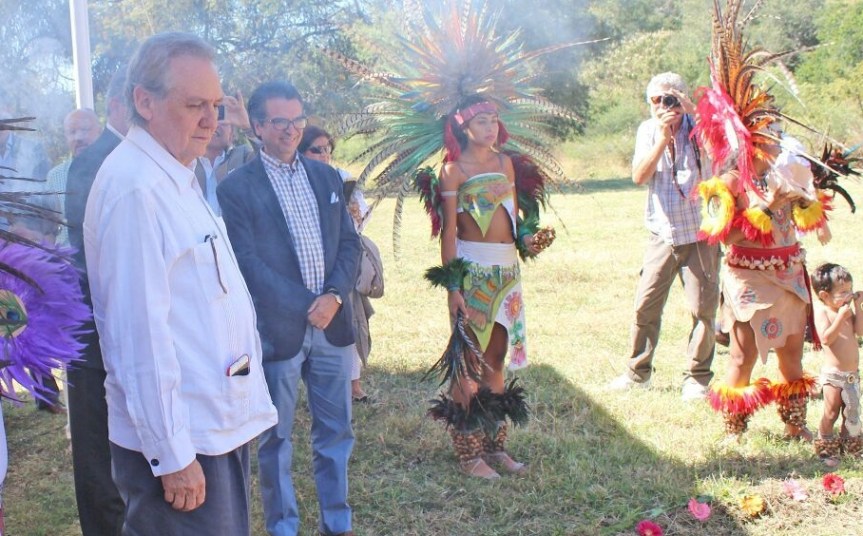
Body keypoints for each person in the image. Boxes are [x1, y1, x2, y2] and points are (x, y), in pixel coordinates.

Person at [83, 33, 277, 534]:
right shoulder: (136, 188)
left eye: (215, 105)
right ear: (144, 102)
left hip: (211, 426)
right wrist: (171, 454)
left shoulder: (175, 175)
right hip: (183, 443)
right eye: (195, 105)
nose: (213, 121)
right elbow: (137, 337)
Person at [217, 81, 361, 536]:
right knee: (275, 440)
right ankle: (283, 528)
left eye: (298, 119)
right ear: (258, 126)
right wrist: (307, 305)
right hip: (280, 331)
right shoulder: (237, 188)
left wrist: (334, 297)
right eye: (280, 121)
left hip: (333, 326)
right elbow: (248, 264)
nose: (292, 129)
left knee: (335, 434)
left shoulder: (328, 177)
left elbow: (350, 246)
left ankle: (337, 525)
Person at [428, 94, 539, 480]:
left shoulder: (505, 164)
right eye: (481, 122)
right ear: (463, 127)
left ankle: (495, 446)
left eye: (494, 120)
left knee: (496, 357)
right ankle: (468, 452)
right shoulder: (453, 171)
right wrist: (453, 286)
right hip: (473, 272)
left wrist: (527, 239)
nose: (490, 128)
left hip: (507, 273)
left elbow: (513, 217)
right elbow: (448, 235)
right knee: (470, 362)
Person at [608, 72, 719, 401]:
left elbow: (719, 158)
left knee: (704, 309)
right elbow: (639, 176)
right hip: (662, 232)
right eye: (657, 100)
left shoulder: (701, 127)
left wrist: (695, 115)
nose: (664, 105)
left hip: (700, 233)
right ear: (649, 104)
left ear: (684, 98)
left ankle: (697, 378)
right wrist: (662, 138)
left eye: (671, 98)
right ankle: (637, 373)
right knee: (646, 305)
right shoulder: (648, 130)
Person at [64, 65, 129, 536]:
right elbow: (95, 257)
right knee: (96, 452)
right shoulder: (95, 161)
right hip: (93, 332)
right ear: (117, 107)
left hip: (119, 326)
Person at [299, 125, 374, 402]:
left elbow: (359, 221)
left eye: (328, 149)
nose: (324, 155)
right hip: (305, 272)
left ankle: (352, 384)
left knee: (349, 323)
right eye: (316, 150)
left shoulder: (341, 179)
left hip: (341, 268)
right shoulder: (293, 182)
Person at [811, 263, 863, 465]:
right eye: (843, 292)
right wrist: (840, 317)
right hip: (834, 375)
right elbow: (826, 338)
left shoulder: (847, 311)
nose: (848, 295)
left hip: (852, 374)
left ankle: (850, 445)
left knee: (851, 412)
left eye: (850, 290)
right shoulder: (824, 312)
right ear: (824, 295)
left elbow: (859, 332)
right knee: (831, 410)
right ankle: (826, 446)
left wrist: (857, 307)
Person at [45, 108, 101, 245]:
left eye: (85, 130)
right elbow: (48, 228)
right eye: (72, 132)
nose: (78, 137)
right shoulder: (54, 177)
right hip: (68, 262)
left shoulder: (112, 171)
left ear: (100, 132)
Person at [194, 92, 256, 216]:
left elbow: (271, 160)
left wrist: (247, 126)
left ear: (232, 134)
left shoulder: (243, 156)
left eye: (222, 121)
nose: (215, 126)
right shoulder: (187, 161)